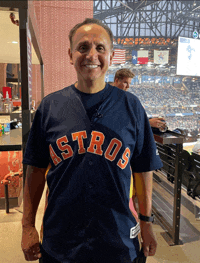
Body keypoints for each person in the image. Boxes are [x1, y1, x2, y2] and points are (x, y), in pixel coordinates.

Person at [21, 18, 163, 263]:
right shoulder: (50, 106)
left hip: (118, 240)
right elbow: (34, 168)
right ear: (70, 54)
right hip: (61, 241)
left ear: (110, 55)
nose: (91, 55)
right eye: (83, 47)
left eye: (100, 48)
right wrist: (27, 226)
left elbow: (143, 168)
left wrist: (147, 222)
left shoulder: (131, 106)